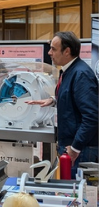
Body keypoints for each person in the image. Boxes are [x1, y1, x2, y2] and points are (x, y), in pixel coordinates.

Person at [28, 31, 99, 173]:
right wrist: (54, 100)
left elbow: (92, 116)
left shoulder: (81, 74)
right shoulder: (69, 71)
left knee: (77, 192)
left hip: (80, 150)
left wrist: (74, 148)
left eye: (53, 49)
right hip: (72, 147)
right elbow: (74, 99)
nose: (49, 53)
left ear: (67, 51)